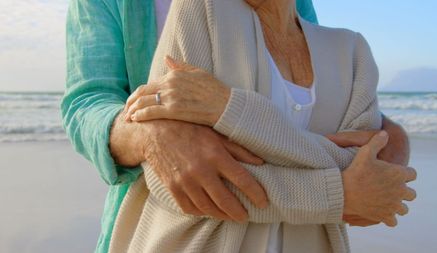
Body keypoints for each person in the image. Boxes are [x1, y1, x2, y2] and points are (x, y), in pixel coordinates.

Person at [60, 0, 414, 252]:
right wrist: (151, 135)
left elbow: (313, 108)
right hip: (180, 231)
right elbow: (86, 103)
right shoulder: (197, 10)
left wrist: (386, 150)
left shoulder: (339, 39)